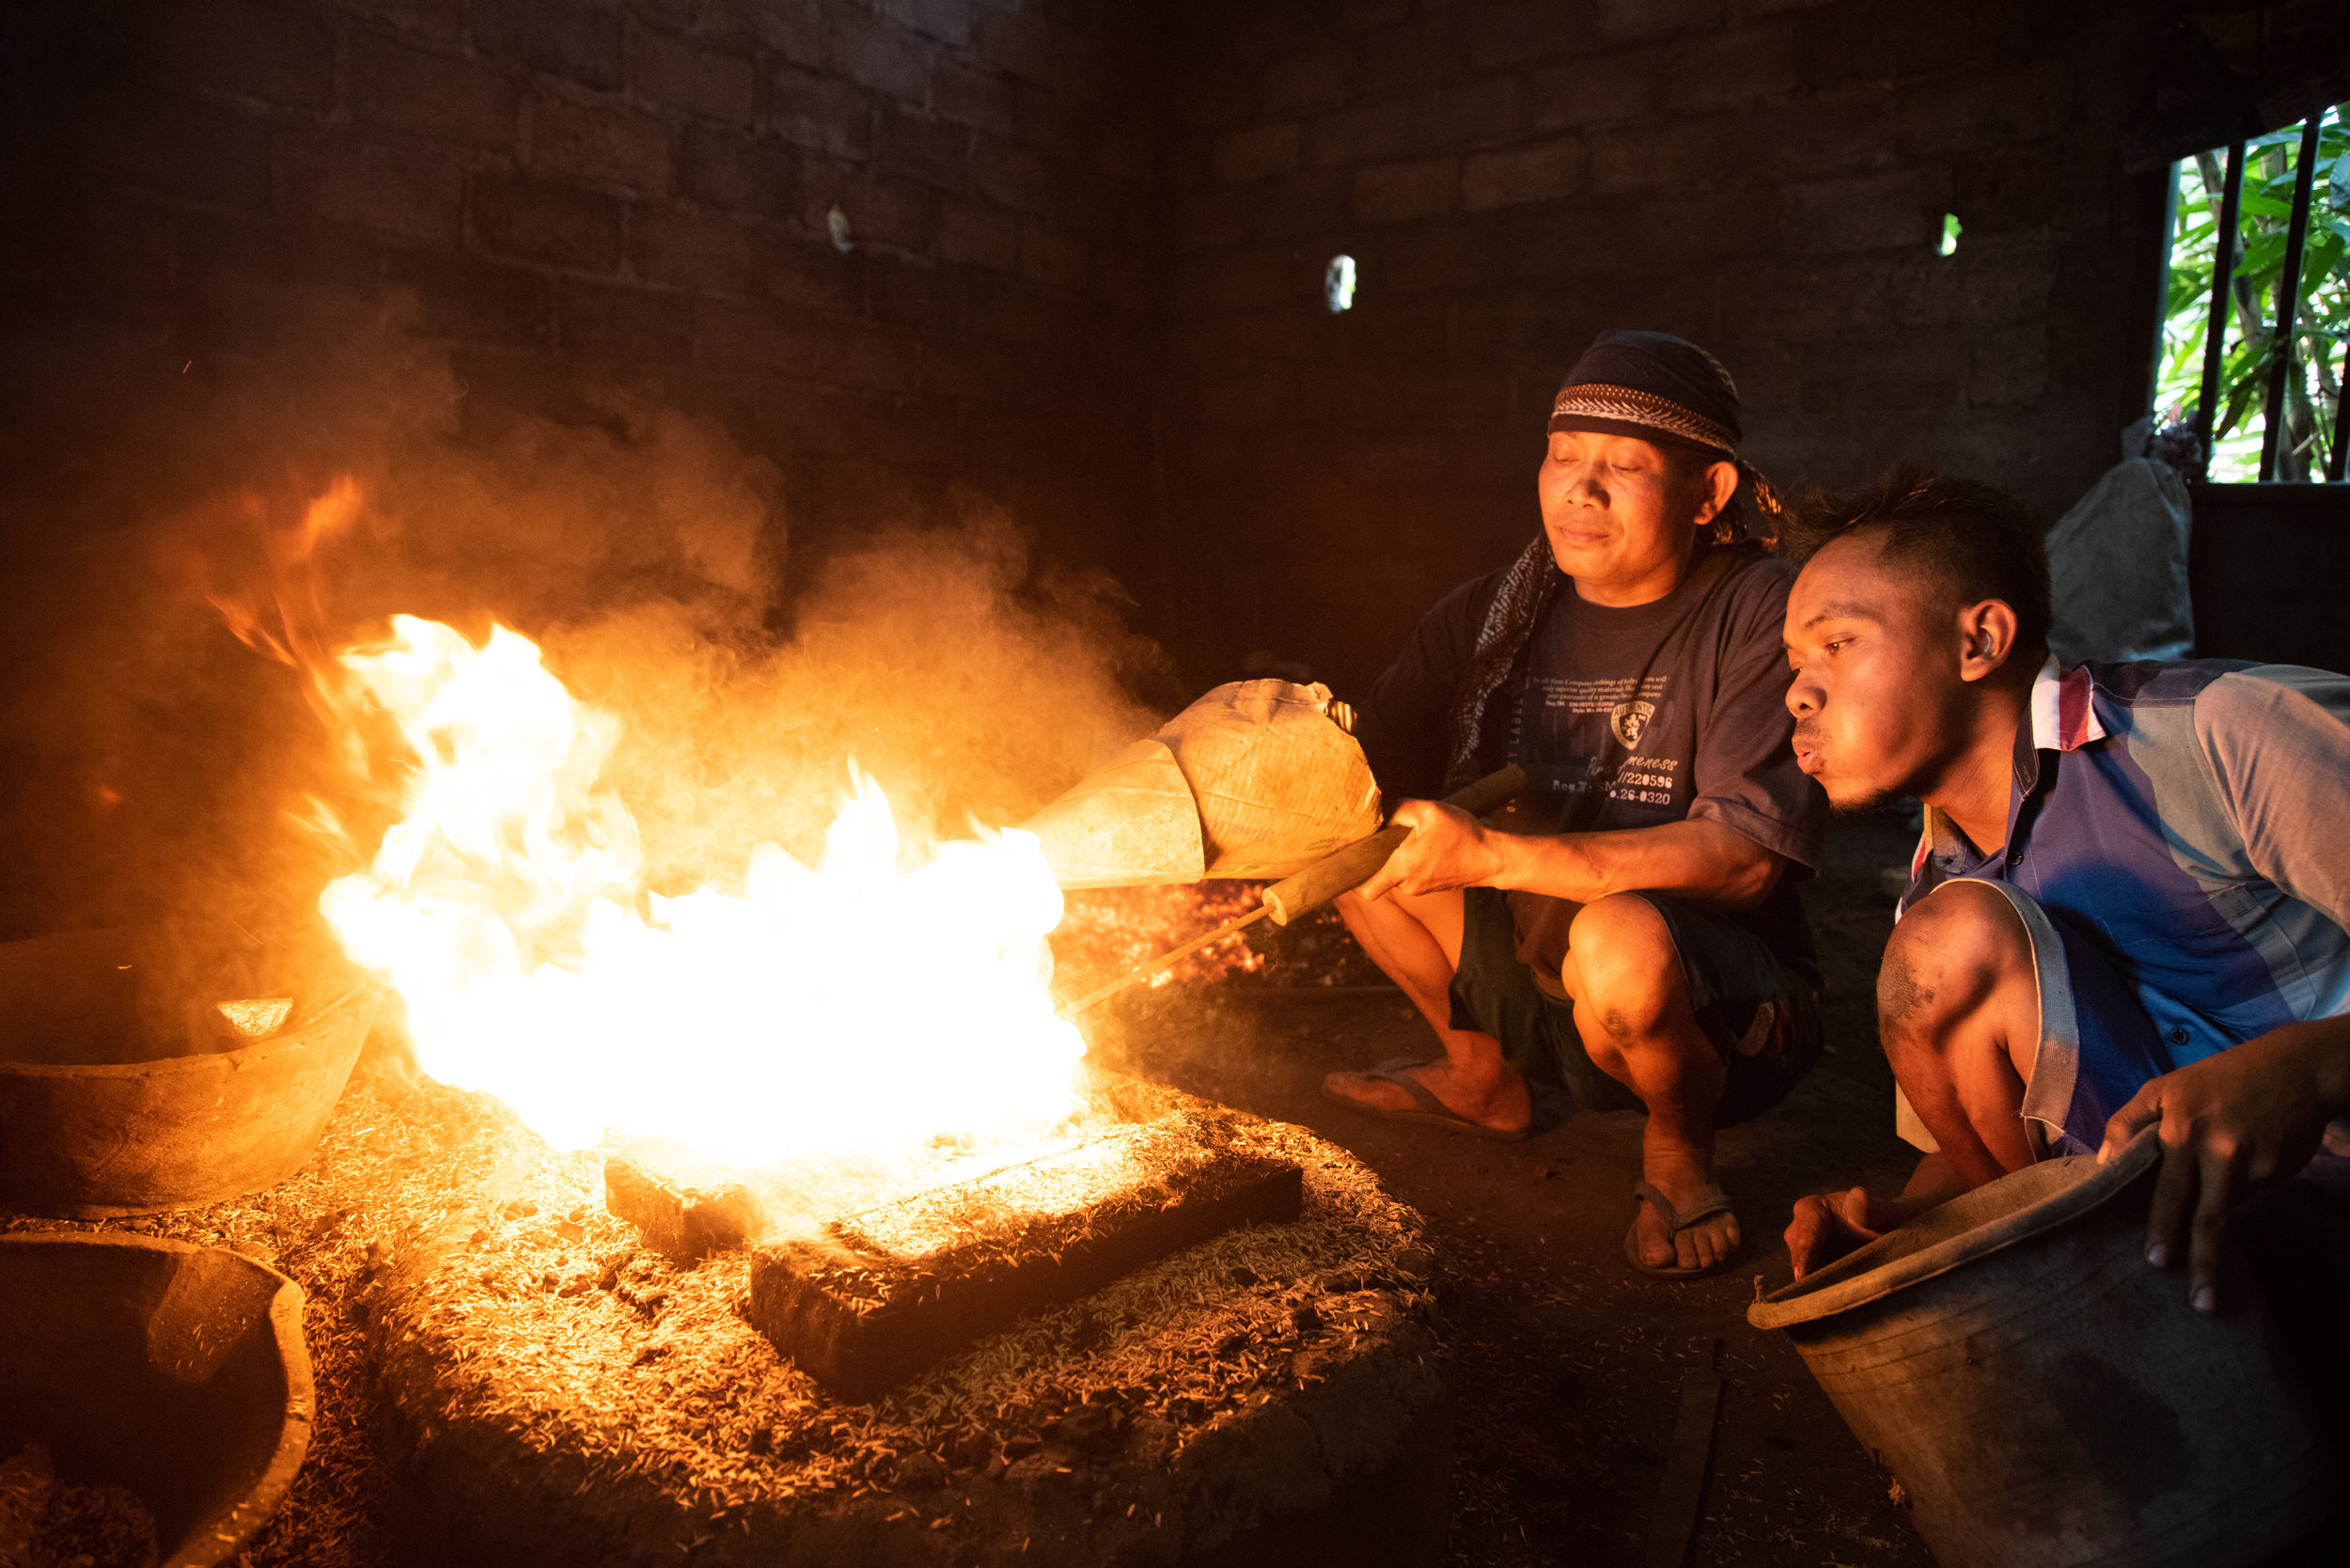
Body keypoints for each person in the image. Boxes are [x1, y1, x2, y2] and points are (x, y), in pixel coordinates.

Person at [1775, 468, 2350, 1363]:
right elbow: (1980, 1150)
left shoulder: (2216, 732)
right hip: (2193, 1254)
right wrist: (1904, 1226)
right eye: (1794, 663)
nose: (1798, 693)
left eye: (1837, 644)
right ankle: (2177, 1368)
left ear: (1981, 641)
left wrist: (2314, 1069)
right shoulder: (1936, 894)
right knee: (1943, 953)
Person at [1324, 329, 1829, 1278]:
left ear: (1708, 493)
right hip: (1537, 960)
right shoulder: (1498, 610)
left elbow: (1746, 858)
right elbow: (1358, 758)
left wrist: (1492, 857)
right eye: (1562, 458)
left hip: (1719, 1000)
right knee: (1354, 843)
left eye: (1622, 467)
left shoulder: (1761, 609)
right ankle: (1482, 1077)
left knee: (1618, 937)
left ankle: (1676, 1155)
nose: (1578, 492)